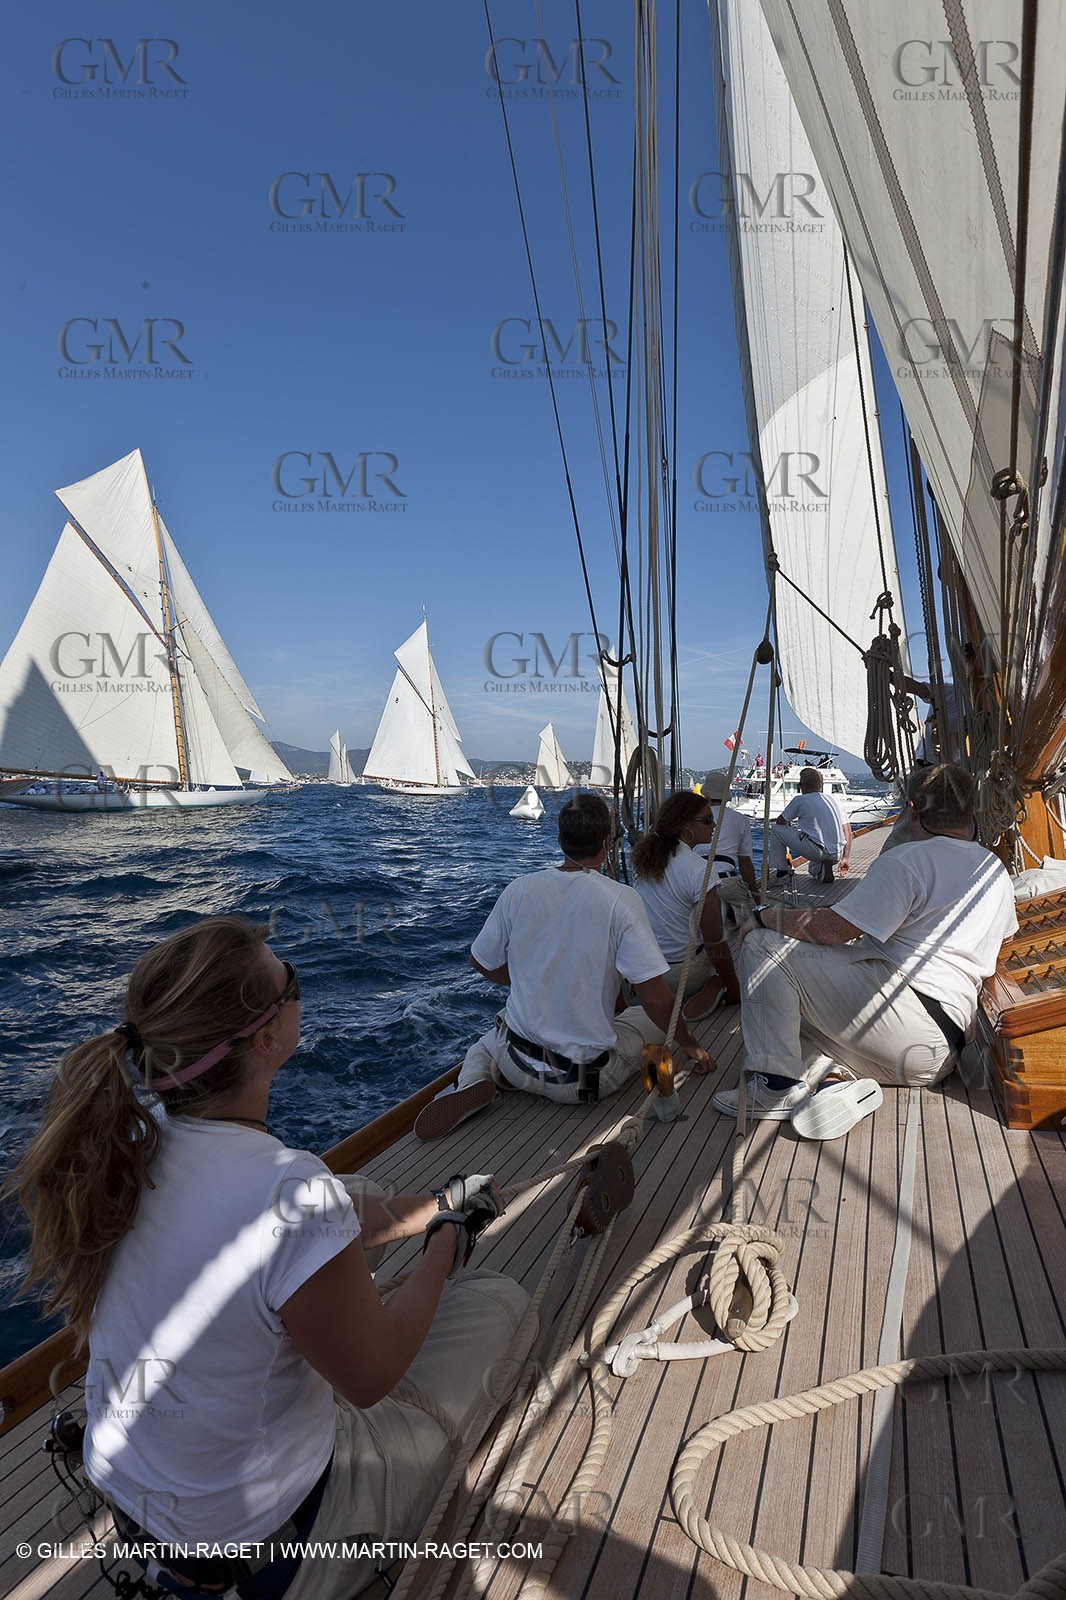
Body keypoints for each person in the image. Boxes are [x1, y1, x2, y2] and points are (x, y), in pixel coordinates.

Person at [10, 917, 532, 1600]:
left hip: (150, 1516)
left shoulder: (128, 1151)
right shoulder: (286, 1187)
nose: (299, 992)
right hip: (268, 1547)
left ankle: (409, 1224)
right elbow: (372, 1378)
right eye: (292, 984)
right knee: (500, 1305)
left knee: (347, 1195)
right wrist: (447, 1239)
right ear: (265, 1037)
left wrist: (431, 1206)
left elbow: (295, 1212)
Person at [712, 764, 1018, 1139]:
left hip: (904, 1017)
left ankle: (775, 1088)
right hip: (939, 1056)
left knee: (763, 946)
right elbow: (1005, 943)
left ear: (912, 810)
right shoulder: (994, 868)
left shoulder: (908, 860)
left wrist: (764, 917)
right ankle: (834, 1080)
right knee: (787, 1018)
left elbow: (835, 930)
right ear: (972, 810)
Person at [416, 793, 712, 1140]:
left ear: (559, 840)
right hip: (586, 1082)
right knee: (658, 1025)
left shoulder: (519, 890)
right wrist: (690, 1044)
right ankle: (666, 1104)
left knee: (487, 1040)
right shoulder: (621, 900)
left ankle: (475, 1082)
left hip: (519, 1064)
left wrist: (530, 981)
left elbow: (480, 961)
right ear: (607, 841)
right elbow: (655, 999)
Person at [630, 791, 739, 1018]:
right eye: (707, 820)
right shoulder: (700, 870)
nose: (714, 825)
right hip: (684, 976)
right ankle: (715, 984)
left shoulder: (643, 862)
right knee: (742, 941)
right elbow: (714, 941)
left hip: (646, 973)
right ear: (685, 827)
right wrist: (734, 986)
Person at [693, 769, 761, 908]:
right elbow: (745, 864)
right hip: (728, 882)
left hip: (697, 883)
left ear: (705, 794)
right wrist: (757, 899)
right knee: (748, 921)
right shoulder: (741, 820)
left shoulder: (691, 818)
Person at [768, 766, 846, 883]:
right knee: (812, 870)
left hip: (818, 851)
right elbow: (847, 831)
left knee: (775, 829)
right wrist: (846, 858)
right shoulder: (833, 800)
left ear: (804, 786)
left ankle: (782, 874)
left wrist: (790, 830)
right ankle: (824, 868)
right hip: (837, 852)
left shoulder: (800, 800)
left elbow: (780, 822)